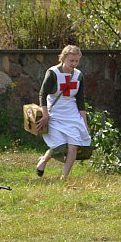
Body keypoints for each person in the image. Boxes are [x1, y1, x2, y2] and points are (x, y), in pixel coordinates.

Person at [36, 45, 92, 180]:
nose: (74, 64)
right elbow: (43, 94)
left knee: (73, 146)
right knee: (58, 146)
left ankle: (64, 178)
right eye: (71, 61)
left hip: (71, 113)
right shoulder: (53, 72)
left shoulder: (78, 75)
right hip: (55, 111)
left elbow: (80, 100)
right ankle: (43, 160)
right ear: (64, 58)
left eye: (76, 61)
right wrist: (45, 114)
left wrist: (84, 122)